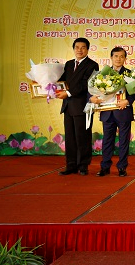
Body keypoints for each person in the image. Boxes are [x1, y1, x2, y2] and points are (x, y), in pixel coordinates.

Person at [90, 47, 135, 177]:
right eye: (116, 56)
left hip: (123, 111)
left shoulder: (129, 74)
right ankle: (105, 167)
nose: (118, 59)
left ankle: (122, 167)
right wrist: (93, 98)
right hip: (107, 111)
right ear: (111, 58)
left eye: (121, 56)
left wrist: (127, 101)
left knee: (124, 141)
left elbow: (134, 92)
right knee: (107, 140)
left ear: (125, 59)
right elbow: (95, 90)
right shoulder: (103, 74)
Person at [56, 38, 99, 176]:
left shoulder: (92, 65)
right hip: (68, 106)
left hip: (82, 106)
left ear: (88, 49)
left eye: (83, 47)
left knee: (82, 137)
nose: (79, 50)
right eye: (77, 47)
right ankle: (71, 165)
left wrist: (68, 93)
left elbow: (86, 84)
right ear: (74, 49)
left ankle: (83, 165)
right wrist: (46, 82)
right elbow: (62, 81)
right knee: (70, 138)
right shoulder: (69, 64)